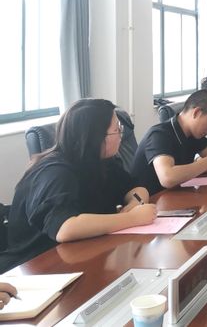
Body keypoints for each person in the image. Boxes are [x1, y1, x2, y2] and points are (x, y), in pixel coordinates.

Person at [0, 99, 156, 273]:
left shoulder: (101, 162)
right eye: (116, 130)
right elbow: (65, 228)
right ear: (95, 137)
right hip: (37, 266)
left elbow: (136, 188)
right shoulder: (54, 172)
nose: (121, 134)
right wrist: (132, 218)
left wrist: (134, 204)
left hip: (81, 253)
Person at [131, 88, 207, 195]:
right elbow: (167, 178)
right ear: (197, 112)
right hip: (150, 200)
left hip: (176, 195)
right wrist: (206, 163)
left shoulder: (195, 135)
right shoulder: (159, 134)